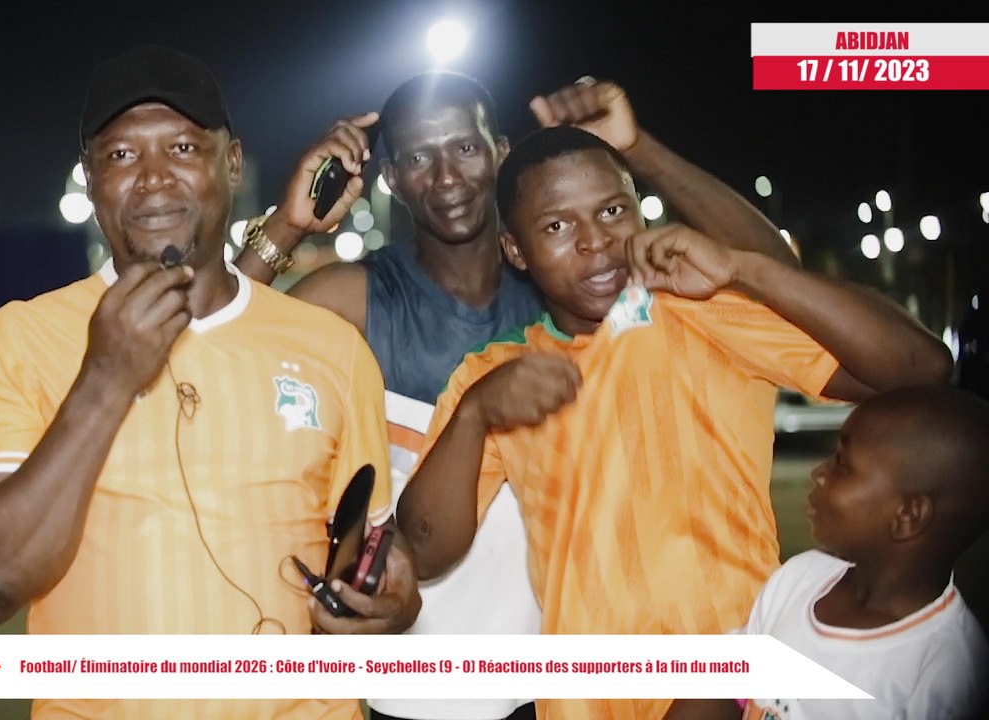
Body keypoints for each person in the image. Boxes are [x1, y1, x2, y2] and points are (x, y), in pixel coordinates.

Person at [236, 74, 798, 720]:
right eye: (419, 157)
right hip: (418, 689)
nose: (448, 178)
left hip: (556, 685)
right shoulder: (360, 298)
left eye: (465, 149)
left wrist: (639, 148)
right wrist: (287, 225)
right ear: (390, 175)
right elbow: (226, 354)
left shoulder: (574, 281)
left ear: (499, 149)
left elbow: (774, 276)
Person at [396, 124, 953, 720]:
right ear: (515, 250)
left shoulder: (700, 313)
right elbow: (426, 552)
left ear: (639, 210)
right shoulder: (495, 372)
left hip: (735, 695)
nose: (595, 242)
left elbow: (921, 369)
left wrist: (744, 271)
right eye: (557, 226)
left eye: (612, 210)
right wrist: (476, 414)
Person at [0, 45, 420, 720]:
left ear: (231, 163)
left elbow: (371, 552)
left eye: (184, 149)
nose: (154, 178)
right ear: (90, 177)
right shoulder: (17, 339)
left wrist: (394, 600)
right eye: (122, 156)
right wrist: (104, 380)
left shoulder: (329, 347)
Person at [665, 385, 989, 720]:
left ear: (907, 516)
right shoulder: (799, 578)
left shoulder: (948, 672)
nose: (818, 474)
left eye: (842, 464)